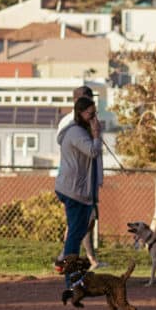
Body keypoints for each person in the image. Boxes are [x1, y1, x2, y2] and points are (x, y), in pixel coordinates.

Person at [54, 89, 104, 270]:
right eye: (91, 114)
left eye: (95, 114)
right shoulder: (76, 132)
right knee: (76, 231)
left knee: (81, 228)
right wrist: (96, 134)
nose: (94, 118)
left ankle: (69, 262)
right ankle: (68, 267)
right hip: (74, 189)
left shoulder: (81, 130)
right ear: (80, 112)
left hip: (82, 189)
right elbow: (92, 151)